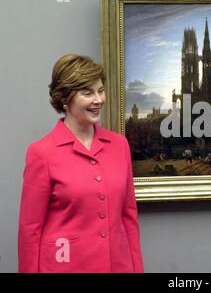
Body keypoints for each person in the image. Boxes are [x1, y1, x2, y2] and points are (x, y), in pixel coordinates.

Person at [18, 54, 144, 273]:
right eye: (88, 93)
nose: (98, 100)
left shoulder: (119, 145)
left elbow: (129, 218)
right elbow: (30, 230)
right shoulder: (42, 153)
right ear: (65, 99)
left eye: (100, 90)